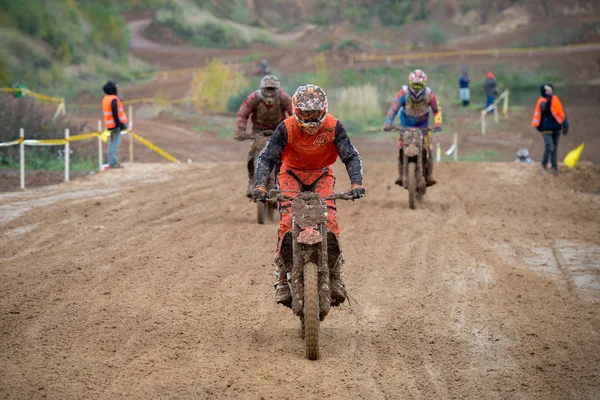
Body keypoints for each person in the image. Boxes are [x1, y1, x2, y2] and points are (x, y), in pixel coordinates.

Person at [253, 84, 365, 307]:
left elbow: (350, 156)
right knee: (286, 222)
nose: (311, 118)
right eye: (306, 113)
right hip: (291, 174)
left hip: (322, 174)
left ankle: (337, 276)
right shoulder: (286, 127)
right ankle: (282, 278)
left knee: (330, 221)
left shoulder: (333, 126)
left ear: (323, 110)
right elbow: (267, 158)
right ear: (296, 110)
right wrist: (260, 186)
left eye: (315, 113)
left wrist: (356, 183)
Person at [235, 75, 293, 197]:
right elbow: (242, 113)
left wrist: (295, 129)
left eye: (272, 89)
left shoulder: (284, 98)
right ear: (262, 89)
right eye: (267, 89)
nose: (269, 93)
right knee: (252, 155)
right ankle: (251, 181)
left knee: (285, 156)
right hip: (258, 131)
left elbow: (294, 113)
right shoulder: (254, 98)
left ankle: (284, 183)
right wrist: (241, 129)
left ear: (277, 89)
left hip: (279, 130)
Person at [383, 69, 442, 186]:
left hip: (423, 126)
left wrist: (438, 124)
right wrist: (388, 123)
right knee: (401, 147)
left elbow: (437, 110)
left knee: (429, 147)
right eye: (414, 85)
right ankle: (401, 173)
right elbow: (393, 109)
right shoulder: (403, 94)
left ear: (424, 85)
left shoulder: (430, 95)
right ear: (410, 83)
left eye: (419, 85)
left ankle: (429, 174)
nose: (416, 88)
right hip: (405, 126)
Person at [531, 83, 569, 175]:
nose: (549, 91)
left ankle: (554, 167)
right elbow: (545, 109)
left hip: (556, 128)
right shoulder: (542, 101)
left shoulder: (556, 100)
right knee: (550, 147)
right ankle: (544, 165)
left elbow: (562, 113)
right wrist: (549, 99)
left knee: (555, 148)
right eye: (547, 90)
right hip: (546, 129)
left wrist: (566, 125)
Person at [102, 81, 128, 168]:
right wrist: (120, 125)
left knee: (111, 143)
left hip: (109, 124)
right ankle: (114, 162)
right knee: (115, 144)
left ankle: (111, 162)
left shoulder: (106, 98)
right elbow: (115, 113)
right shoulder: (113, 99)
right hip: (115, 125)